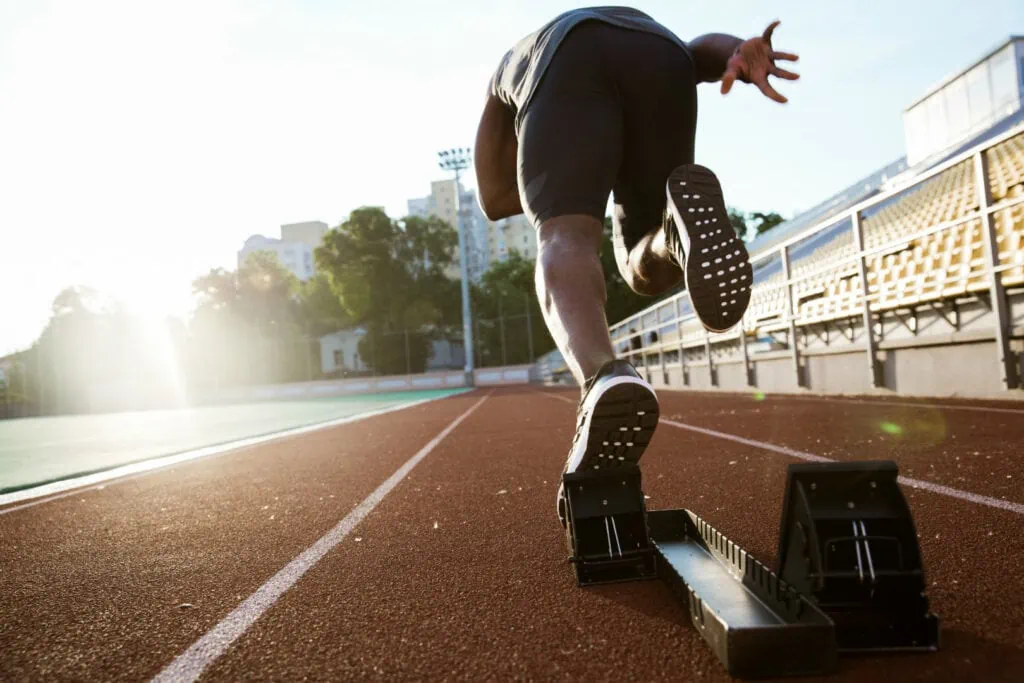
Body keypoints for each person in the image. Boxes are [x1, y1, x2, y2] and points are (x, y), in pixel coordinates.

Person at [472, 7, 799, 525]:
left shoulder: (504, 77)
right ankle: (673, 234)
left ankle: (602, 376)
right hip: (662, 52)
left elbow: (492, 197)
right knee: (645, 267)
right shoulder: (638, 37)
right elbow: (695, 56)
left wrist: (573, 176)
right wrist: (736, 51)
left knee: (563, 234)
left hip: (567, 59)